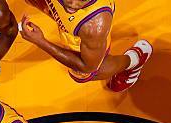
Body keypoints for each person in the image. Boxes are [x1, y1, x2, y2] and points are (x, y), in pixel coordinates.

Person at [20, 0, 152, 91]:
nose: (72, 3)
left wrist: (41, 41)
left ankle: (135, 59)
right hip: (63, 17)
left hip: (83, 35)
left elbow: (86, 66)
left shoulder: (94, 26)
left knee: (85, 73)